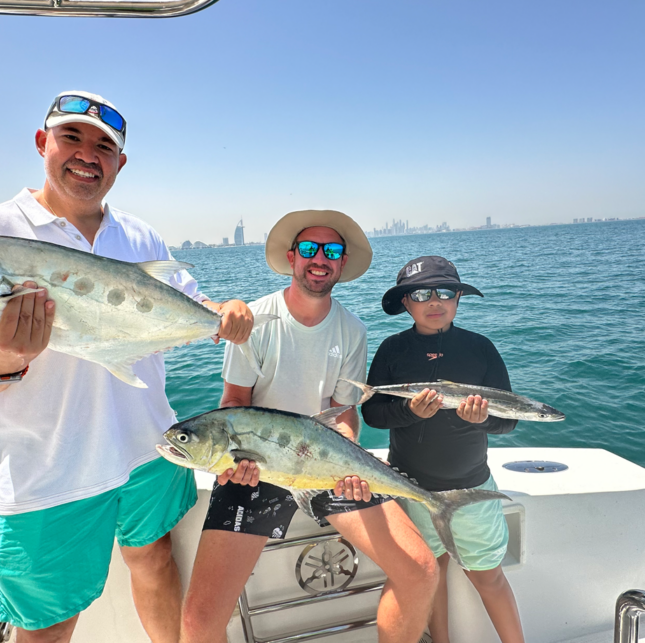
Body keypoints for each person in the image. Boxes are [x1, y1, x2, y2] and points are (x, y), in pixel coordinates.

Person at [0, 91, 254, 643]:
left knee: (155, 559)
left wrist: (223, 313)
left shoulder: (138, 236)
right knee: (46, 621)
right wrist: (1, 363)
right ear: (43, 143)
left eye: (104, 145)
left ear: (119, 162)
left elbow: (188, 307)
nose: (88, 153)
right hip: (52, 467)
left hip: (150, 445)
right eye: (72, 137)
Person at [180, 210, 439, 643]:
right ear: (291, 257)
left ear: (341, 263)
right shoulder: (256, 321)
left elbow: (342, 413)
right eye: (309, 248)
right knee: (199, 622)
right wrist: (232, 463)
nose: (320, 258)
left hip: (324, 466)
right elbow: (234, 404)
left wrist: (350, 458)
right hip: (253, 471)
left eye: (332, 250)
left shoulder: (352, 330)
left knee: (421, 571)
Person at [361, 255, 525, 643]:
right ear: (406, 302)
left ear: (458, 299)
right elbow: (372, 413)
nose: (435, 301)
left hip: (472, 488)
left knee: (489, 577)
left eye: (445, 292)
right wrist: (409, 411)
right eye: (421, 293)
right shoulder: (392, 349)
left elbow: (509, 419)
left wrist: (480, 420)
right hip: (411, 487)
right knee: (429, 573)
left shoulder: (481, 348)